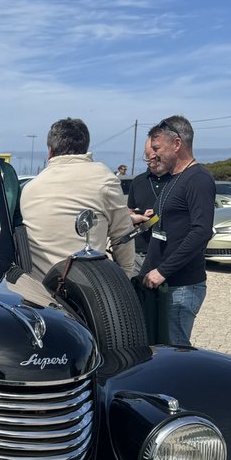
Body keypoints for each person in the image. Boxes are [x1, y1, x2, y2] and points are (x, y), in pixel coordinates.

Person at [20, 118, 135, 279]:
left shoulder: (30, 188)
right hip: (85, 286)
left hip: (35, 286)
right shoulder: (103, 178)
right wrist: (126, 276)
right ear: (85, 148)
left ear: (50, 151)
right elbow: (123, 236)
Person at [139, 115, 215, 345]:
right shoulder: (174, 178)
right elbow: (170, 221)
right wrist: (143, 221)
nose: (153, 155)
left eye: (157, 148)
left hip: (181, 286)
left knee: (176, 352)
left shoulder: (198, 179)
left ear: (177, 144)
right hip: (161, 283)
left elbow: (201, 232)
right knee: (158, 350)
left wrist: (163, 271)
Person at [126, 139, 171, 274]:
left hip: (167, 253)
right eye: (148, 156)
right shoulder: (138, 181)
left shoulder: (178, 180)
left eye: (156, 156)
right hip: (138, 252)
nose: (151, 159)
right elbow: (128, 212)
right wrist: (137, 217)